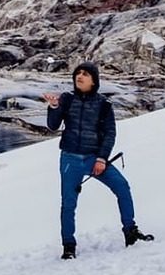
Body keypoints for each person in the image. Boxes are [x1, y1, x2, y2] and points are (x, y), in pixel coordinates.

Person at [41, 61, 152, 259]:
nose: (80, 76)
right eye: (78, 73)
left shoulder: (103, 104)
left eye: (85, 74)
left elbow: (110, 134)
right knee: (68, 203)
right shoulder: (66, 99)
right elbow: (53, 125)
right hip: (70, 159)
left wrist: (102, 159)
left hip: (95, 158)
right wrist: (54, 106)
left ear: (94, 80)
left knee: (122, 188)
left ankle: (130, 232)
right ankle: (68, 246)